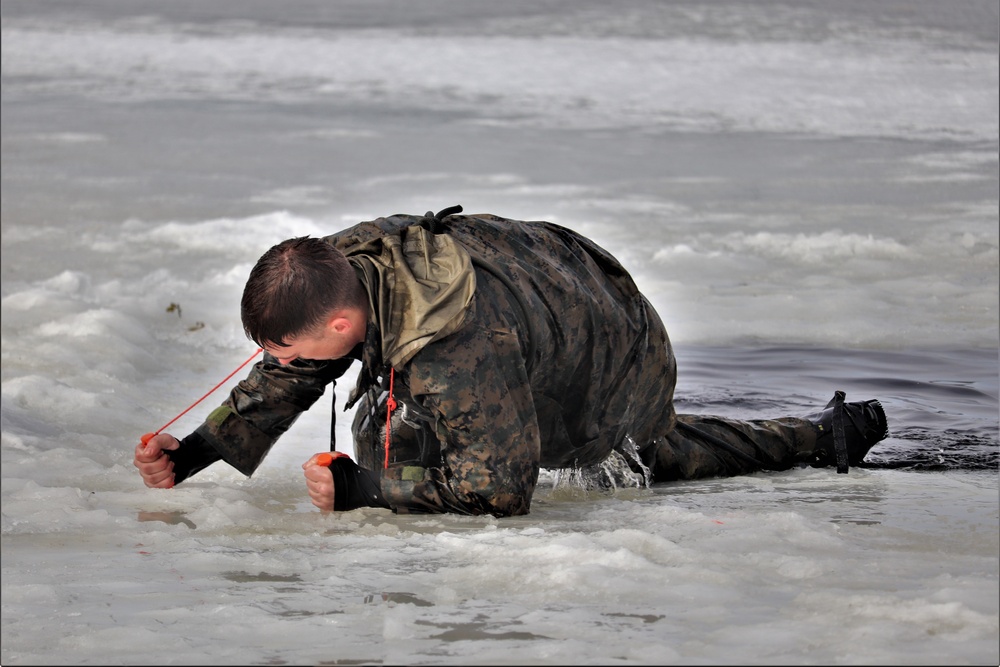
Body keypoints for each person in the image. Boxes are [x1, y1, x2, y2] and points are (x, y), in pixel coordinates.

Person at [134, 206, 889, 516]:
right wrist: (194, 453)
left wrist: (363, 491)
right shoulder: (343, 266)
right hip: (561, 302)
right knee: (393, 420)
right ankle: (823, 431)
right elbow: (297, 362)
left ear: (338, 320)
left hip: (617, 356)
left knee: (642, 457)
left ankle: (822, 437)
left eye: (285, 347)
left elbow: (501, 492)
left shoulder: (453, 347)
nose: (277, 364)